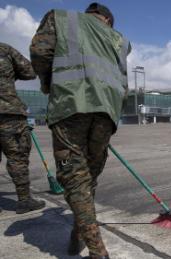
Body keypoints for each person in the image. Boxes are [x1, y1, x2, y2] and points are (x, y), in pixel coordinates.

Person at [30, 3, 130, 259]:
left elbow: (40, 52)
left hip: (70, 105)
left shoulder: (62, 19)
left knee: (75, 177)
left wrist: (47, 85)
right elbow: (123, 81)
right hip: (106, 112)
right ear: (108, 20)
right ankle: (78, 233)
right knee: (89, 176)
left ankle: (97, 251)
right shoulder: (120, 39)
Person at [0, 42, 46, 214]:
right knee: (17, 157)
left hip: (8, 112)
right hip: (8, 112)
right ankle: (24, 200)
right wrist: (10, 75)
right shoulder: (4, 49)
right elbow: (29, 72)